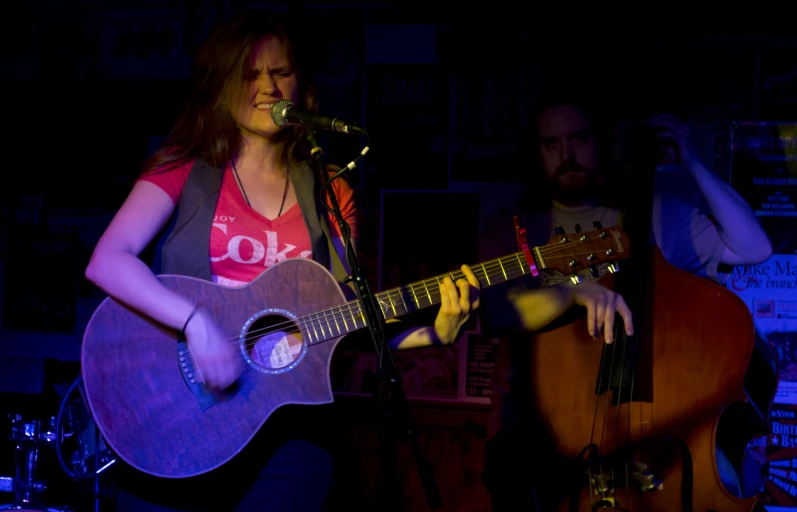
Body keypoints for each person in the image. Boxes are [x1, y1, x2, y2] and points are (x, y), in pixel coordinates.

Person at [83, 11, 480, 512]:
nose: (267, 86)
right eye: (250, 74)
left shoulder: (329, 187)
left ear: (301, 83)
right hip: (180, 414)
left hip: (286, 432)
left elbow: (345, 319)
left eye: (281, 72)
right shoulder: (184, 165)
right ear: (222, 84)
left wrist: (434, 335)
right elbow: (107, 261)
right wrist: (194, 321)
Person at [477, 89, 773, 510]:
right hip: (540, 447)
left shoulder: (656, 216)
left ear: (602, 141)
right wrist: (571, 289)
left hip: (662, 436)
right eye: (551, 143)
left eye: (579, 138)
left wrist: (691, 162)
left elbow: (754, 248)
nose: (566, 153)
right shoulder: (511, 229)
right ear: (536, 151)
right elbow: (494, 310)